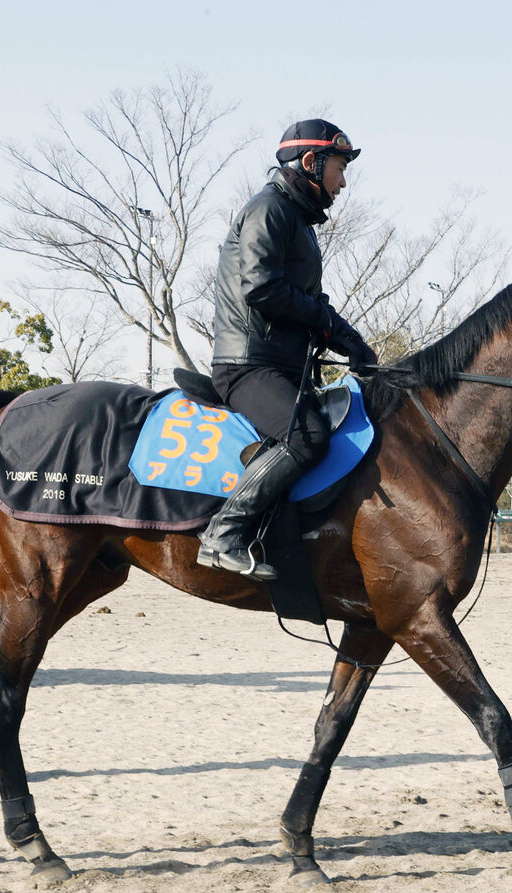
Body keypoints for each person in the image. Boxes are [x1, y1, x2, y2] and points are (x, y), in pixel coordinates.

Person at [196, 119, 377, 581]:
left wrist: (349, 338)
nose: (343, 180)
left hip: (278, 365)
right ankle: (223, 534)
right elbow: (262, 288)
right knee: (308, 436)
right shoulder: (269, 210)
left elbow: (309, 303)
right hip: (246, 366)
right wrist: (323, 321)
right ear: (312, 163)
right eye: (340, 167)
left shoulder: (297, 218)